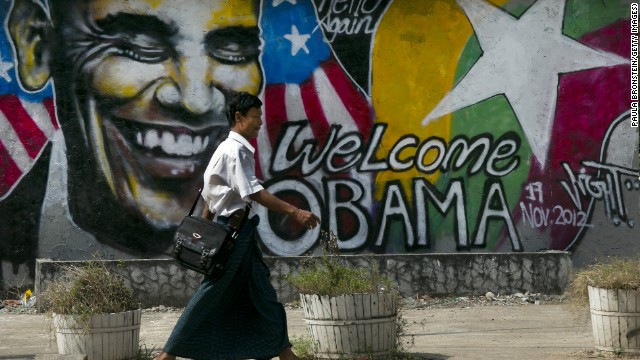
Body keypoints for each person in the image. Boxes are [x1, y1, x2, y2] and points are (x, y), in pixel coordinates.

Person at [5, 0, 264, 257]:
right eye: (139, 44)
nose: (196, 102)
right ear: (37, 48)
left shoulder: (273, 233)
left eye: (234, 51)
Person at [155, 92, 320, 360]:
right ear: (239, 117)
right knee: (210, 294)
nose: (260, 122)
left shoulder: (224, 149)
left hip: (236, 233)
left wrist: (205, 232)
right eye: (256, 117)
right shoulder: (236, 150)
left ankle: (286, 353)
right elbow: (252, 192)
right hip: (233, 235)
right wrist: (294, 210)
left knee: (263, 294)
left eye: (261, 117)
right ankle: (167, 355)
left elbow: (210, 193)